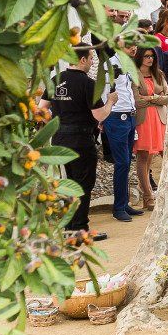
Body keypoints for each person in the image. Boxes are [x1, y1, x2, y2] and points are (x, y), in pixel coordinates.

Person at [53, 46, 113, 239]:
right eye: (91, 59)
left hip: (60, 140)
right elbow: (99, 115)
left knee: (69, 183)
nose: (92, 62)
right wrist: (110, 102)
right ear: (82, 60)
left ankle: (69, 228)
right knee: (83, 184)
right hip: (81, 140)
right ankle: (80, 229)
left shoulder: (56, 79)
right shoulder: (88, 84)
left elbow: (42, 108)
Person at [100, 50, 139, 223]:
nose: (133, 48)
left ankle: (124, 203)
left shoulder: (129, 63)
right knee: (122, 162)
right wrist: (104, 116)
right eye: (129, 44)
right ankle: (118, 208)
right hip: (116, 116)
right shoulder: (110, 64)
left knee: (127, 162)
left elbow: (128, 89)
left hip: (130, 115)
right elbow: (103, 91)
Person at [132, 43, 166, 211]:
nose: (150, 59)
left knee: (153, 157)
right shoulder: (133, 75)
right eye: (146, 56)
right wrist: (157, 98)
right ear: (140, 57)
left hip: (159, 119)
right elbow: (136, 101)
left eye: (152, 56)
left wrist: (150, 98)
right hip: (143, 120)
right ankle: (148, 195)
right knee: (143, 156)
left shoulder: (159, 74)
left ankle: (146, 192)